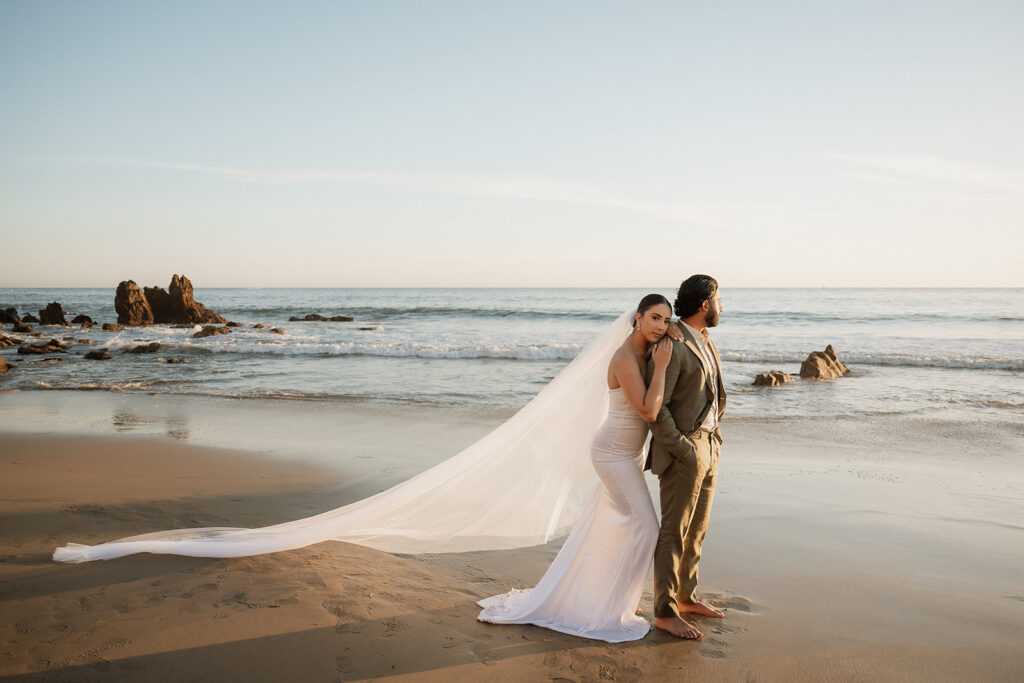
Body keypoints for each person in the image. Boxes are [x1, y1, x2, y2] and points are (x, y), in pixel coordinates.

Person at [476, 294, 675, 642]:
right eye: (655, 318)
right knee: (647, 527)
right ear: (638, 318)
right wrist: (660, 368)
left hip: (628, 454)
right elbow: (648, 411)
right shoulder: (626, 357)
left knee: (610, 527)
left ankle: (608, 596)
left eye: (666, 320)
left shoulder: (646, 349)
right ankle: (615, 605)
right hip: (613, 453)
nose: (661, 326)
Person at [645, 274, 727, 640]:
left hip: (711, 445)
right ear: (705, 304)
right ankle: (665, 611)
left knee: (697, 531)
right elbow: (656, 407)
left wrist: (712, 441)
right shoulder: (672, 343)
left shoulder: (706, 341)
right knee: (674, 533)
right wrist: (682, 448)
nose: (723, 307)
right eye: (720, 300)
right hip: (685, 451)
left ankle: (687, 596)